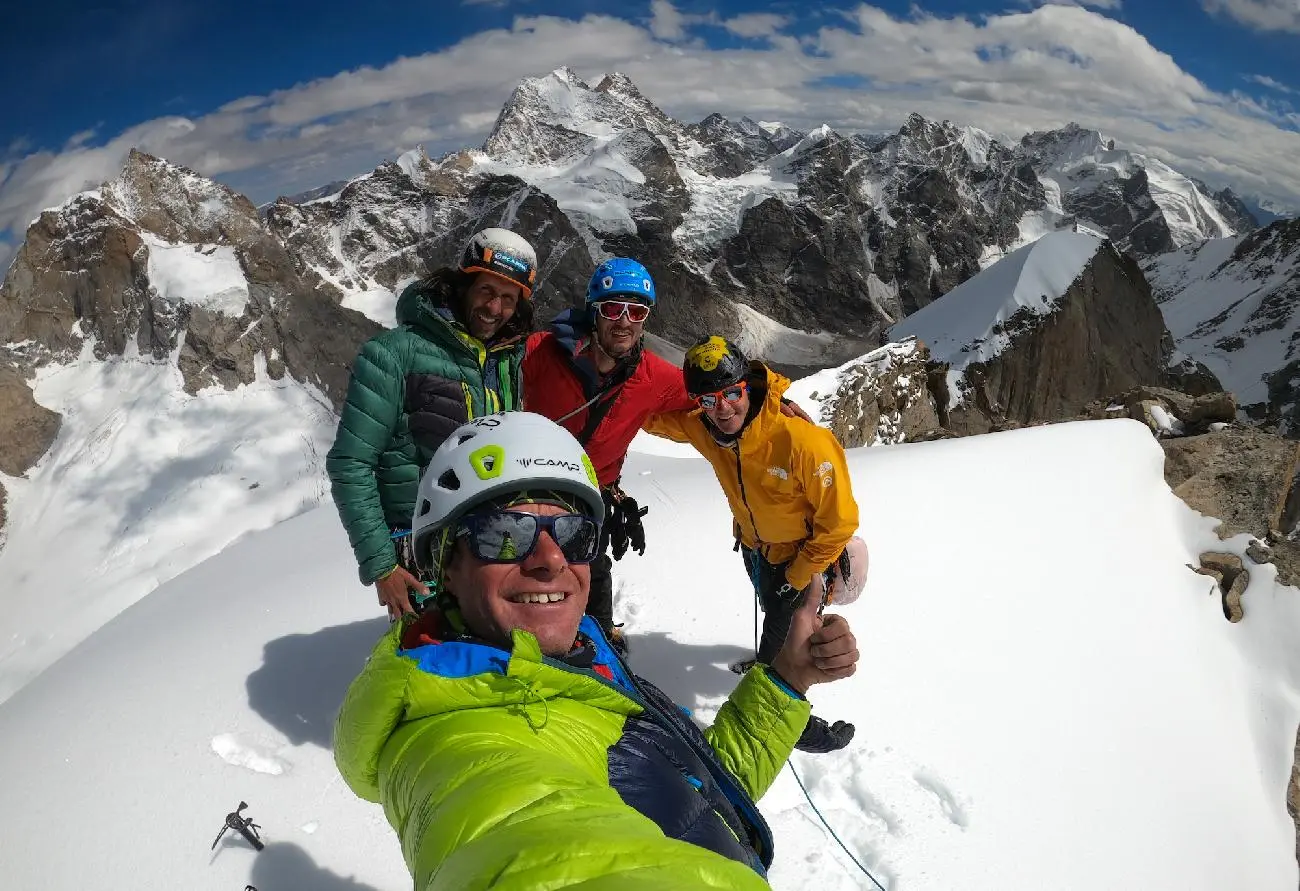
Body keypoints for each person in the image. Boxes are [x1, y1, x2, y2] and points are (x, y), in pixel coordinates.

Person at [334, 411, 860, 890]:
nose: (549, 559)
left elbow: (691, 795)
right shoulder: (459, 740)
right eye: (504, 534)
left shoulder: (567, 671)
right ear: (447, 564)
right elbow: (541, 844)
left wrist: (787, 679)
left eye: (573, 534)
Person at [523, 258, 811, 655]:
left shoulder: (652, 377)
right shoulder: (540, 353)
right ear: (594, 310)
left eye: (636, 311)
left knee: (592, 564)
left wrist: (778, 398)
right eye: (613, 308)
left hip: (591, 494)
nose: (624, 321)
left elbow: (720, 386)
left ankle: (598, 636)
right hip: (527, 488)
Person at [644, 336, 865, 754]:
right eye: (709, 400)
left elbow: (839, 524)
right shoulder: (704, 428)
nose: (724, 408)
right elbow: (654, 419)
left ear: (747, 385)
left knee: (786, 647)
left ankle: (800, 725)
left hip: (803, 560)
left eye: (731, 393)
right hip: (757, 550)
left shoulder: (802, 442)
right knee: (773, 615)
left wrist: (797, 576)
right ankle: (769, 658)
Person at [327, 228, 537, 620]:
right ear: (463, 285)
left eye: (508, 299)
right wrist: (382, 566)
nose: (495, 309)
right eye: (487, 291)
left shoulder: (507, 358)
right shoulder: (392, 354)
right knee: (431, 667)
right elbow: (351, 463)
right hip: (420, 551)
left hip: (494, 541)